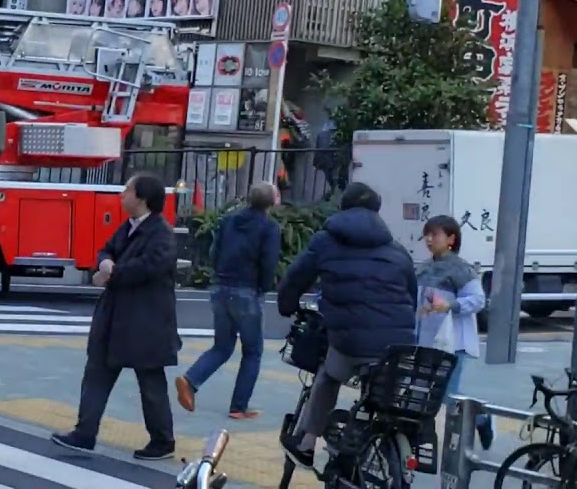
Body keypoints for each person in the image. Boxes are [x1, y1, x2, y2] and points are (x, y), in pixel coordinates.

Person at [276, 182, 418, 469]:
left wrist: (287, 306)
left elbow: (295, 279)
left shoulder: (325, 241)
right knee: (381, 387)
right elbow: (411, 296)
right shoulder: (396, 249)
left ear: (343, 207)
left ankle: (307, 443)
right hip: (397, 344)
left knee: (328, 377)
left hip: (350, 341)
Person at [51, 174, 179, 461]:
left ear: (142, 199)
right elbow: (107, 249)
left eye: (128, 191)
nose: (122, 195)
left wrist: (111, 271)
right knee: (96, 373)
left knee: (150, 382)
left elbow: (148, 267)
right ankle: (84, 433)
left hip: (146, 322)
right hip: (114, 317)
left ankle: (162, 440)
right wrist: (105, 261)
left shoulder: (161, 234)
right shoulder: (130, 227)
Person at [176, 182, 281, 418]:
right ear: (272, 202)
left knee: (222, 346)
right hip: (247, 290)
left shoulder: (229, 219)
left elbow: (214, 251)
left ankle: (190, 380)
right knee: (252, 351)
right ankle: (238, 407)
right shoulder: (269, 227)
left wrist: (219, 274)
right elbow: (269, 261)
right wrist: (263, 287)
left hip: (222, 286)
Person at [417, 215, 494, 449]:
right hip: (427, 341)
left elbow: (478, 300)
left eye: (435, 234)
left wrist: (451, 305)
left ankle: (480, 419)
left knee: (447, 394)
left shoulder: (462, 269)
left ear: (451, 238)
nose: (429, 240)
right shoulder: (425, 267)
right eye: (427, 234)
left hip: (453, 343)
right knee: (428, 391)